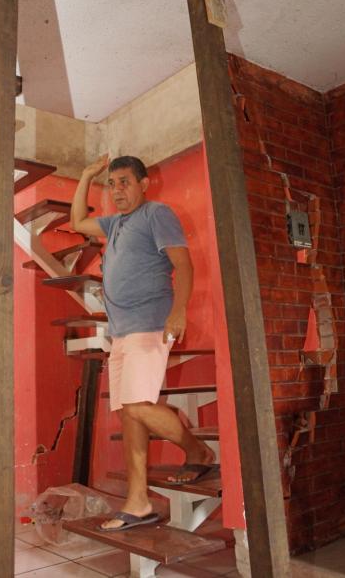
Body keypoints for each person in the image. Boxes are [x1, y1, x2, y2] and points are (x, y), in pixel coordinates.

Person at [70, 154, 215, 531]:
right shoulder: (115, 223)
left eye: (125, 182)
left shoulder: (156, 214)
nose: (117, 190)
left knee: (136, 406)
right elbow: (77, 222)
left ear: (143, 184)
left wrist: (178, 312)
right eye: (112, 184)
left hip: (149, 323)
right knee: (128, 412)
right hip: (121, 331)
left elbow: (183, 265)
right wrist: (86, 175)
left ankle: (197, 450)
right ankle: (138, 503)